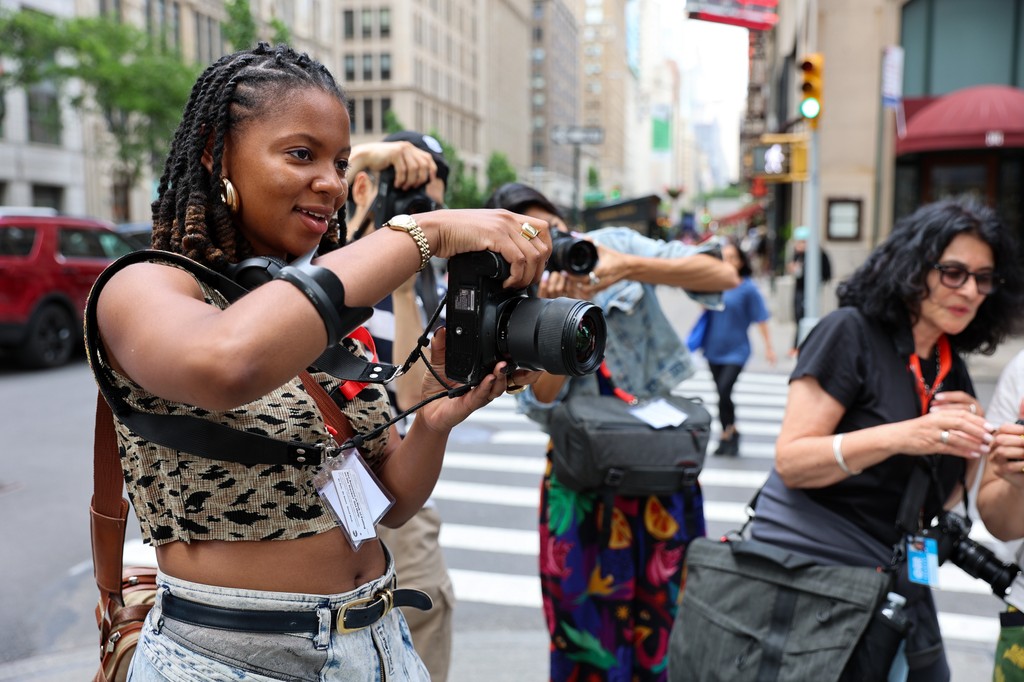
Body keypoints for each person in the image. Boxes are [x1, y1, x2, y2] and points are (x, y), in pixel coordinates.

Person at [87, 43, 550, 681]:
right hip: (231, 656)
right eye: (301, 155)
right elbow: (226, 362)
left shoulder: (322, 323)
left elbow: (388, 504)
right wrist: (425, 234)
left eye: (338, 161)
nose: (332, 183)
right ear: (214, 154)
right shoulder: (142, 288)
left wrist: (436, 418)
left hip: (379, 642)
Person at [749, 198, 1024, 681]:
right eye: (954, 272)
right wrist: (905, 434)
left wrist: (972, 447)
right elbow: (792, 461)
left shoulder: (948, 363)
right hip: (817, 574)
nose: (972, 291)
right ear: (914, 268)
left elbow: (940, 498)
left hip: (894, 574)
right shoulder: (848, 332)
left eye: (984, 278)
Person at [485, 182, 739, 681]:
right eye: (527, 235)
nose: (548, 245)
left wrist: (626, 266)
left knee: (669, 626)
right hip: (585, 492)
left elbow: (721, 274)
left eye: (552, 230)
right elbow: (543, 403)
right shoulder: (514, 295)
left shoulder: (612, 245)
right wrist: (556, 322)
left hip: (660, 470)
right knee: (586, 639)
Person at [345, 129, 455, 682]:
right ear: (361, 186)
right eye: (404, 198)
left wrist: (408, 281)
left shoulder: (428, 280)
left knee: (422, 612)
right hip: (314, 497)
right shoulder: (318, 252)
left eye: (428, 207)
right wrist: (367, 156)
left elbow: (411, 398)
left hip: (393, 486)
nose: (417, 220)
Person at [696, 238, 775, 456]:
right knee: (721, 395)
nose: (728, 261)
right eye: (724, 257)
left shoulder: (748, 288)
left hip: (736, 350)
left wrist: (769, 347)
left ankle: (729, 433)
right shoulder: (714, 283)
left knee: (724, 390)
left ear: (741, 261)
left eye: (733, 257)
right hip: (713, 348)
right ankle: (728, 433)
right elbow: (703, 308)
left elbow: (761, 318)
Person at [787, 224, 832, 356]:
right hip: (799, 288)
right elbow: (794, 268)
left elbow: (826, 273)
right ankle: (796, 345)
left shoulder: (818, 254)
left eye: (803, 242)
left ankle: (801, 346)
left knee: (806, 316)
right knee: (798, 316)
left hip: (811, 291)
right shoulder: (798, 253)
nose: (800, 245)